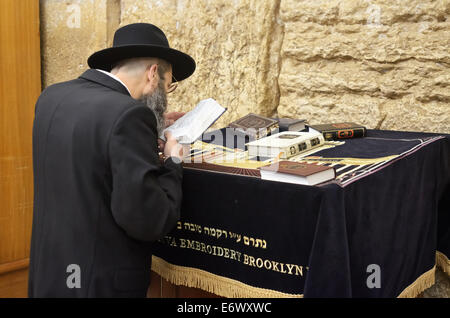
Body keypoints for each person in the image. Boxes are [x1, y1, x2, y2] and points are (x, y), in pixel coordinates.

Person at [28, 23, 196, 297]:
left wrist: (148, 129)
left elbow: (89, 148)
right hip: (98, 281)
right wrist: (173, 161)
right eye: (169, 86)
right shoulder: (128, 115)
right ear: (153, 74)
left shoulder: (52, 96)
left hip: (53, 273)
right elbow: (147, 220)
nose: (166, 95)